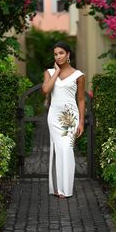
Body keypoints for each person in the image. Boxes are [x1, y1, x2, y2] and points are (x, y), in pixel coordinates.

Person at [42, 41, 85, 198]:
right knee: (57, 150)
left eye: (61, 53)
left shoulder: (79, 75)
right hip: (54, 117)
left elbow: (81, 100)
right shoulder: (49, 72)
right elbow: (45, 90)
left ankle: (65, 189)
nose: (58, 56)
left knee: (66, 149)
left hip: (70, 118)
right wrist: (56, 72)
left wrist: (81, 122)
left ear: (68, 54)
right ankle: (56, 188)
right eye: (55, 54)